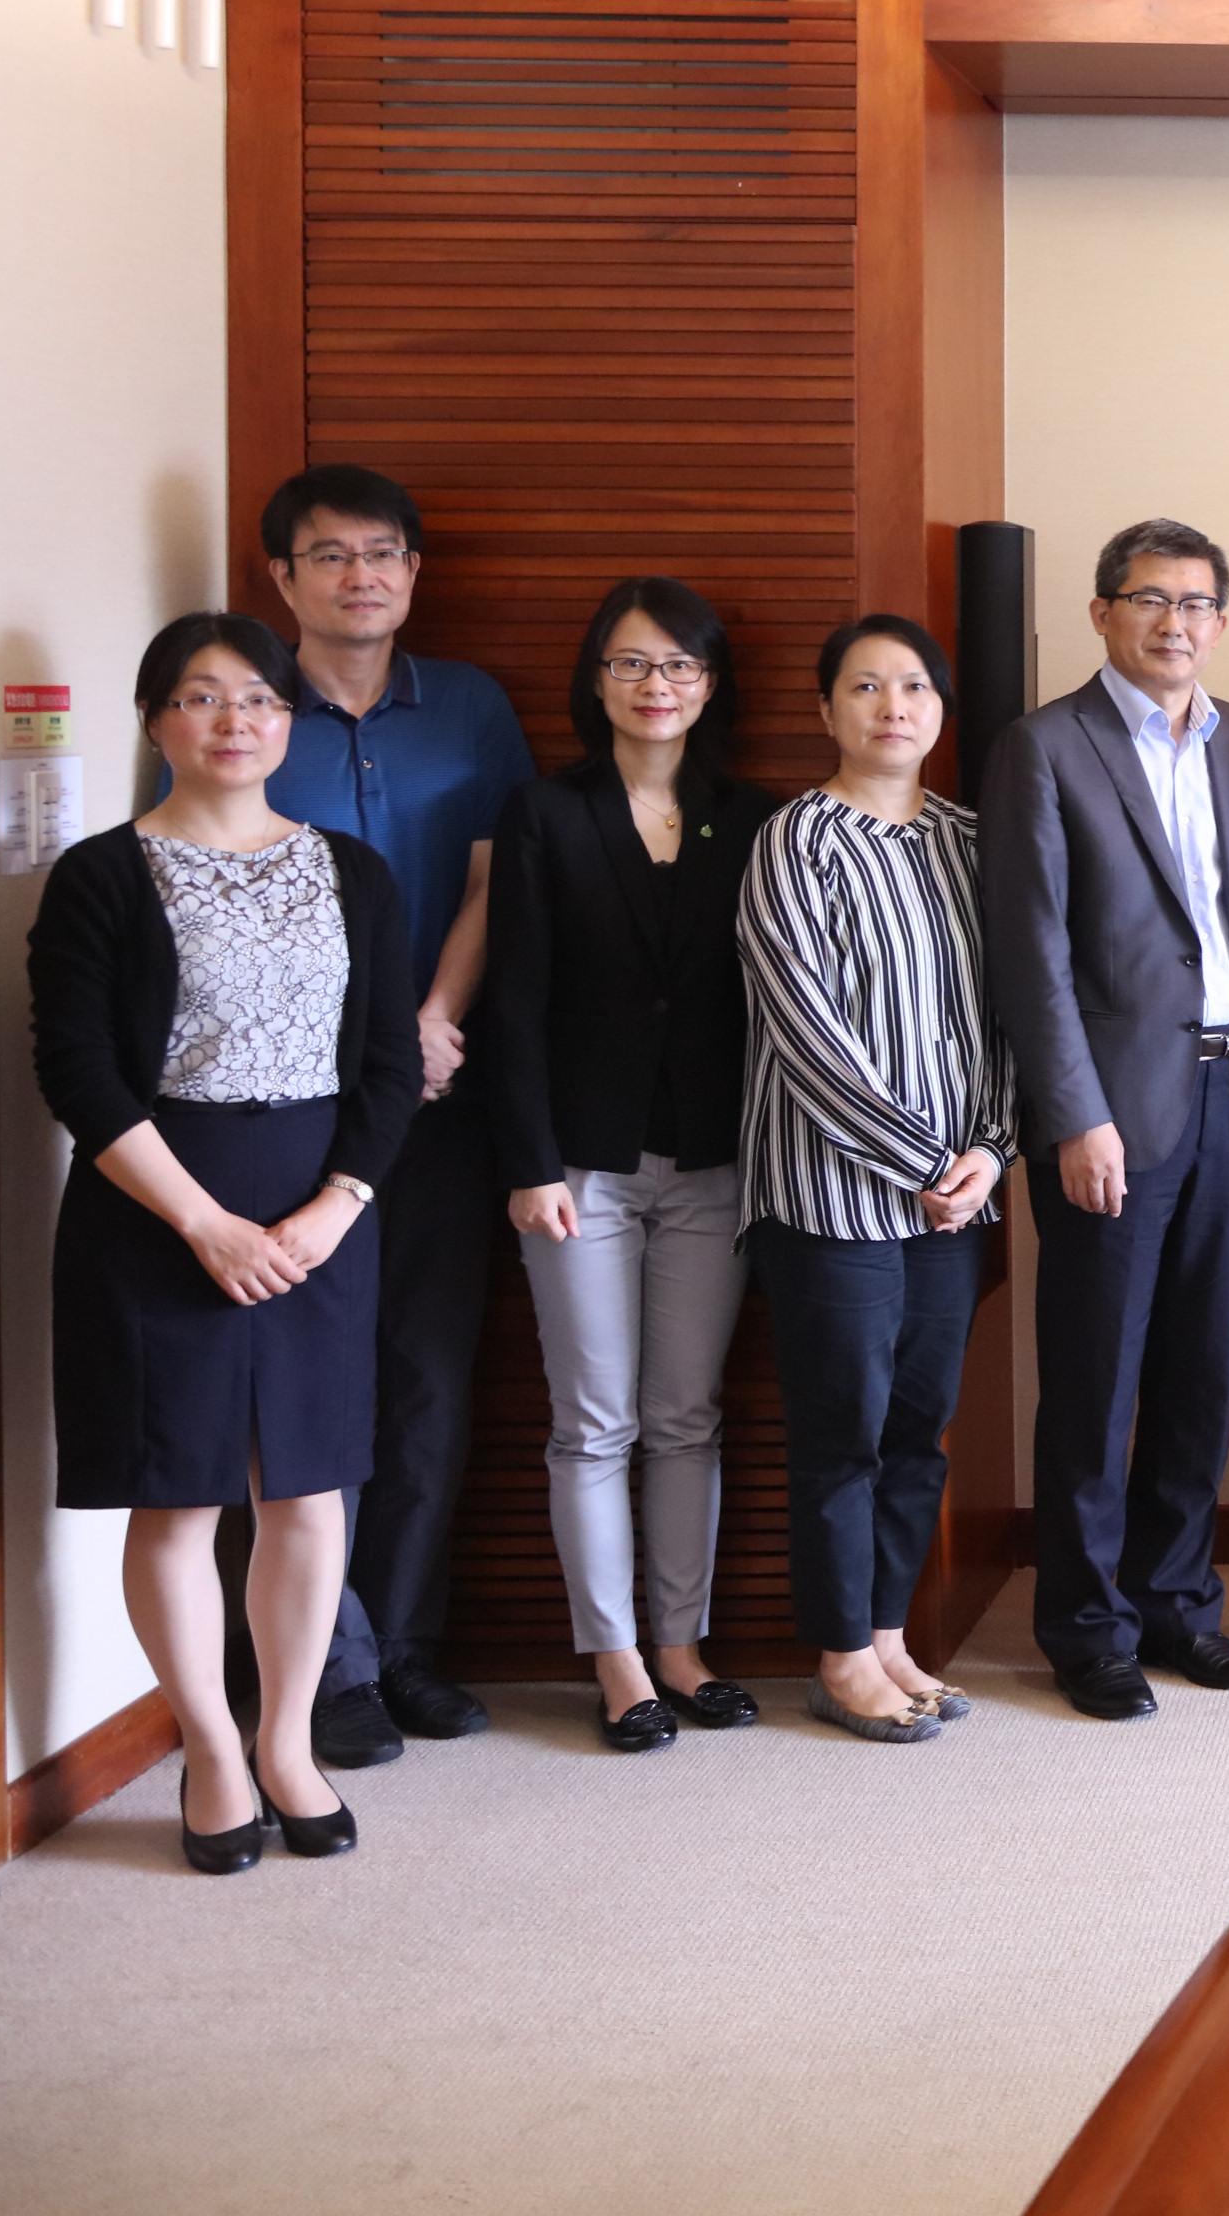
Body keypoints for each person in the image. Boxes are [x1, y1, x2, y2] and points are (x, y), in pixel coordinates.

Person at [32, 614, 420, 1871]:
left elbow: (389, 1063)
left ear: (288, 722)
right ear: (157, 719)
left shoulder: (353, 871)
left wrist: (333, 1208)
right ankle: (209, 1746)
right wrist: (202, 1222)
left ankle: (287, 1742)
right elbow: (78, 1072)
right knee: (179, 1493)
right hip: (155, 1211)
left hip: (318, 1211)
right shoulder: (100, 876)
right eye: (203, 697)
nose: (235, 720)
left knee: (307, 1492)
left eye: (259, 698)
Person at [255, 463, 536, 1762]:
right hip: (297, 1104)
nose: (361, 575)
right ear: (283, 578)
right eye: (331, 555)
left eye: (383, 553)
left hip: (439, 1091)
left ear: (414, 572)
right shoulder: (251, 708)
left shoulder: (469, 706)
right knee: (312, 1380)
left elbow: (492, 882)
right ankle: (328, 1667)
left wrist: (430, 1022)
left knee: (427, 1377)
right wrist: (370, 1047)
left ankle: (407, 1646)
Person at [981, 520, 1229, 1725]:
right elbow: (1031, 950)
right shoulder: (1043, 746)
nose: (1173, 622)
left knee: (1200, 1371)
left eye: (1195, 602)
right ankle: (1088, 1627)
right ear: (1103, 611)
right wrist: (1074, 1115)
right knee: (1095, 1378)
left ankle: (1178, 1605)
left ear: (1221, 622)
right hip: (1109, 1112)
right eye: (1149, 598)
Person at [484, 578, 768, 1752]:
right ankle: (616, 1662)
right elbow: (513, 999)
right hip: (579, 1168)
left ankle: (683, 1647)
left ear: (710, 685)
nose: (658, 685)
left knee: (687, 1417)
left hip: (716, 1159)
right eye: (633, 663)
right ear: (596, 678)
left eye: (680, 665)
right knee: (593, 1422)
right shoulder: (546, 813)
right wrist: (528, 1161)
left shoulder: (751, 817)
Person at [736, 615, 1011, 1742]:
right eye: (864, 686)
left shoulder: (972, 839)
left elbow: (1009, 1010)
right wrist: (925, 1160)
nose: (893, 707)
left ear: (940, 709)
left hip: (957, 1196)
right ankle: (841, 1654)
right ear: (826, 709)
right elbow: (805, 1030)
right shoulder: (794, 840)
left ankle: (891, 1636)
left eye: (914, 687)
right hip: (828, 1195)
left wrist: (990, 1148)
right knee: (841, 1429)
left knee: (918, 1426)